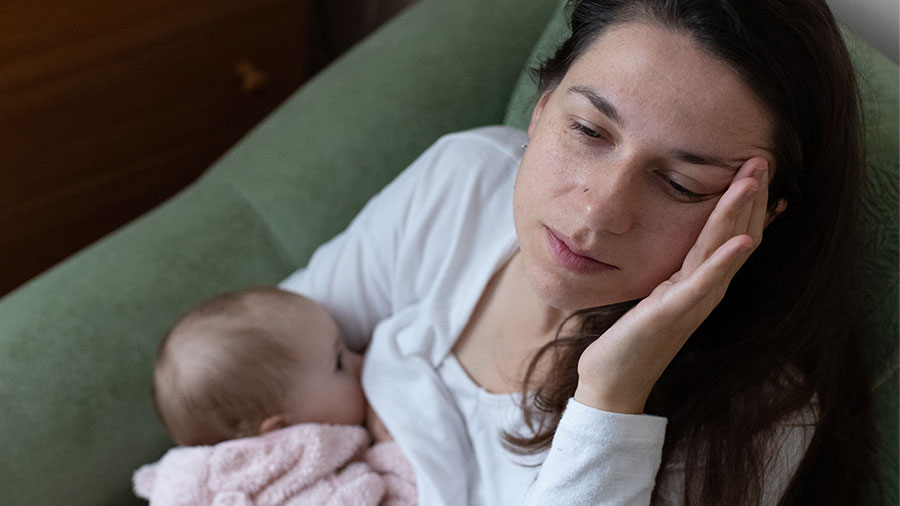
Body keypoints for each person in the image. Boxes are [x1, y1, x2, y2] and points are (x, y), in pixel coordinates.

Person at [280, 0, 877, 504]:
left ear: (760, 217)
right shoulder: (462, 183)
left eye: (681, 185)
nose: (597, 214)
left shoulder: (756, 415)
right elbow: (255, 365)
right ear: (543, 109)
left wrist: (613, 395)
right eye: (589, 131)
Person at [134, 287, 415, 505]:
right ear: (281, 429)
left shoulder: (188, 482)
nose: (360, 358)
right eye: (340, 362)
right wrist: (395, 449)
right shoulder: (289, 485)